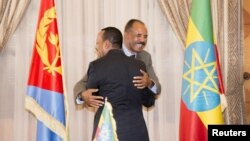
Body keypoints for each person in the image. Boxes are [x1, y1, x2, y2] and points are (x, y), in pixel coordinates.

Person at [73, 19, 161, 109]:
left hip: (132, 116)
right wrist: (82, 96)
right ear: (126, 35)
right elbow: (83, 83)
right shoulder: (107, 52)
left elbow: (157, 88)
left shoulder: (145, 57)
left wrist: (149, 83)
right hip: (108, 116)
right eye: (138, 35)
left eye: (145, 37)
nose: (142, 40)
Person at [86, 27, 151, 140]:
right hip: (136, 133)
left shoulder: (96, 66)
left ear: (106, 44)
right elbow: (149, 101)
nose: (96, 47)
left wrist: (84, 97)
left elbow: (92, 99)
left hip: (108, 133)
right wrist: (149, 84)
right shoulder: (139, 65)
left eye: (98, 43)